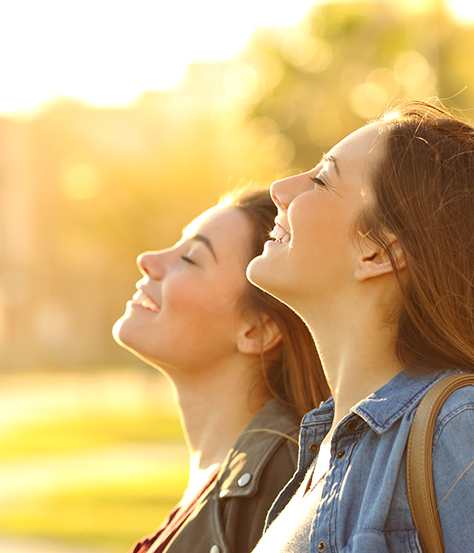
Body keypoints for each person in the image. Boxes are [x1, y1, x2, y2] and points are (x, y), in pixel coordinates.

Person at [247, 100, 474, 552]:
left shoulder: (456, 429)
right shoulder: (321, 442)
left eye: (321, 180)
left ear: (375, 251)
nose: (278, 187)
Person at [113, 187, 329, 553]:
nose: (148, 259)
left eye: (191, 259)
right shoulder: (234, 478)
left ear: (256, 331)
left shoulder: (281, 481)